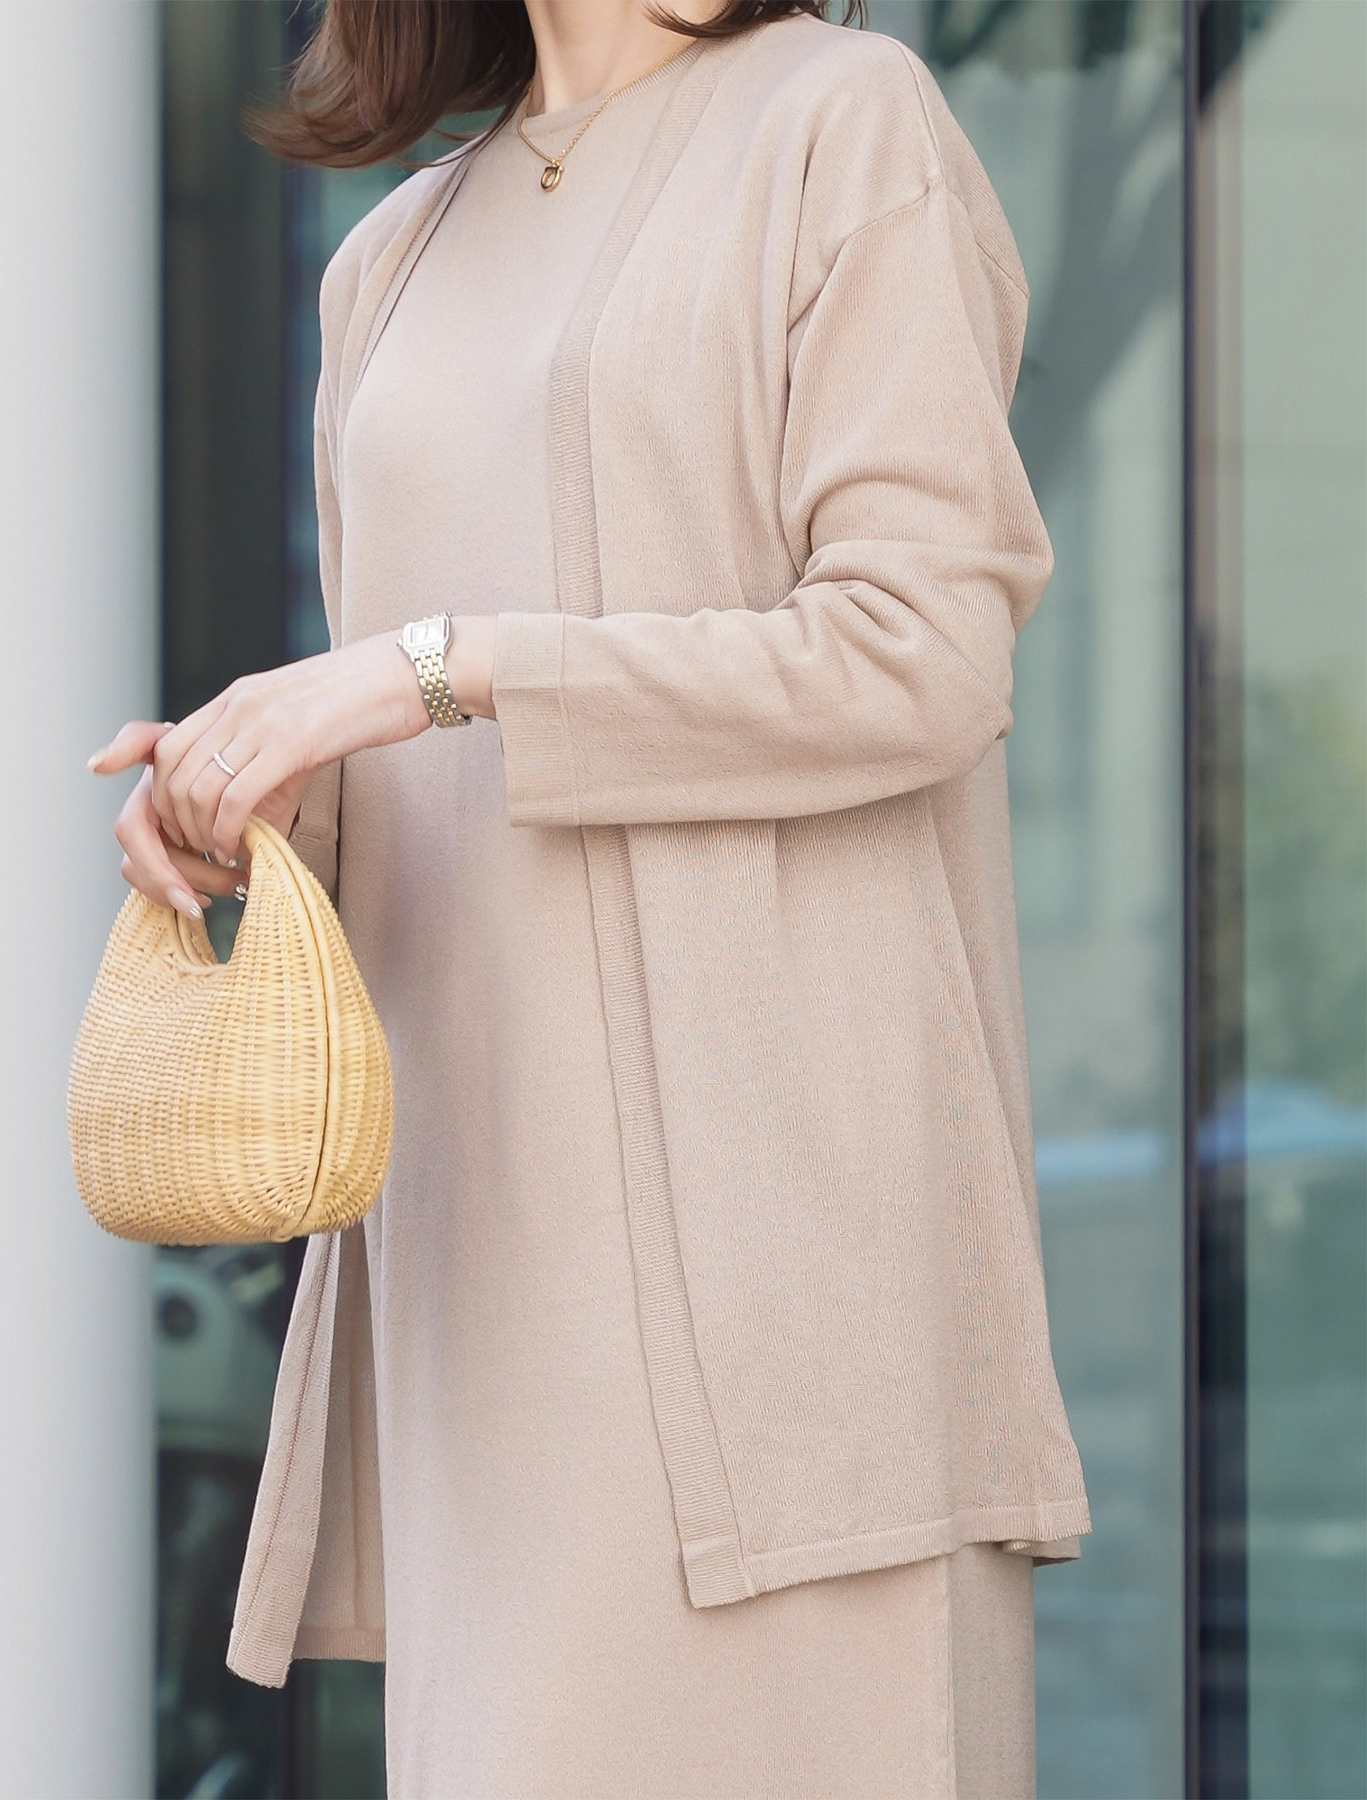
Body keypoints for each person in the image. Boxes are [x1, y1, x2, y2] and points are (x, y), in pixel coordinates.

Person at [89, 1, 1092, 1792]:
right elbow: (418, 762)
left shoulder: (838, 120)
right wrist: (259, 804)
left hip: (777, 1278)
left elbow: (921, 648)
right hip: (479, 1263)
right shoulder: (391, 257)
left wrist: (435, 667)